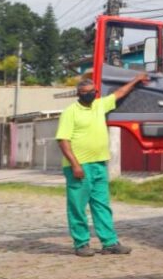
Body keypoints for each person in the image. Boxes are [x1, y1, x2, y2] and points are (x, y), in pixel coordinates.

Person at [56, 74, 149, 257]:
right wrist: (75, 165)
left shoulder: (100, 105)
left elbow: (120, 93)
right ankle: (81, 244)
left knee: (101, 205)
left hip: (99, 165)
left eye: (92, 92)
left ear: (96, 92)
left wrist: (136, 80)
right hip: (79, 166)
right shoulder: (70, 112)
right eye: (85, 92)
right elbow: (63, 140)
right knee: (78, 206)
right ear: (78, 93)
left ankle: (109, 243)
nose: (89, 95)